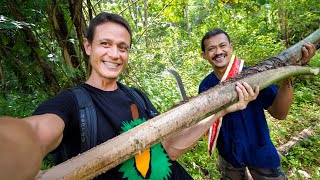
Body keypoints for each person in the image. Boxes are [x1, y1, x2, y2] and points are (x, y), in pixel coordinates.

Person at [0, 13, 259, 180]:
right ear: (87, 47)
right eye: (105, 44)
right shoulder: (71, 104)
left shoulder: (137, 97)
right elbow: (35, 132)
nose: (115, 54)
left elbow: (167, 150)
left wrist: (221, 111)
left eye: (122, 48)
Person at [199, 28, 316, 180]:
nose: (218, 51)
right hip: (229, 158)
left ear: (230, 47)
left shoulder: (254, 76)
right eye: (211, 49)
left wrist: (290, 74)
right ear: (204, 55)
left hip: (261, 154)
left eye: (222, 46)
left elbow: (280, 113)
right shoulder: (206, 86)